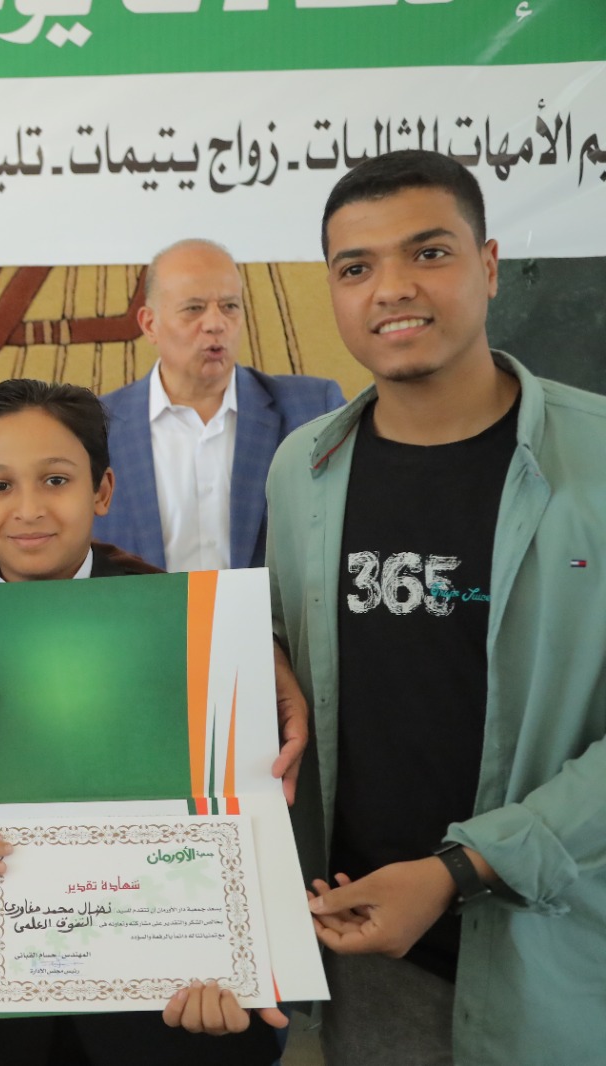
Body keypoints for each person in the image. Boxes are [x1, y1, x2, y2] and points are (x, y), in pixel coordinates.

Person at [265, 150, 606, 1065]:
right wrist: (265, 659)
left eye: (429, 253)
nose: (393, 289)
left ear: (488, 267)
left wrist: (462, 870)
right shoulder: (302, 469)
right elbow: (299, 651)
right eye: (356, 267)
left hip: (559, 959)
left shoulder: (597, 462)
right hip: (370, 960)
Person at [0, 379, 288, 1066]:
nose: (29, 509)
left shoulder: (188, 628)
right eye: (0, 486)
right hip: (17, 1014)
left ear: (101, 490)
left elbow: (247, 809)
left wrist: (244, 963)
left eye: (56, 480)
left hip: (179, 1004)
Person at [94, 239, 344, 570]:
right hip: (143, 605)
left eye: (229, 306)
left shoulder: (313, 410)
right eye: (194, 308)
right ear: (150, 324)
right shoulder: (96, 426)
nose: (216, 323)